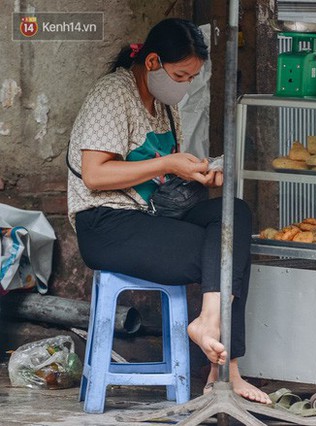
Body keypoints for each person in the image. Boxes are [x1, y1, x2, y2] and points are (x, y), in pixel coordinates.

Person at [66, 18, 270, 404]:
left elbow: (166, 173)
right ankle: (225, 367)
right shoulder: (113, 94)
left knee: (233, 217)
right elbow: (94, 174)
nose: (186, 85)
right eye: (181, 75)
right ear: (153, 61)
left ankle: (210, 327)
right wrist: (168, 164)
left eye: (192, 78)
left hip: (151, 214)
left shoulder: (164, 105)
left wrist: (198, 174)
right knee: (223, 252)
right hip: (105, 223)